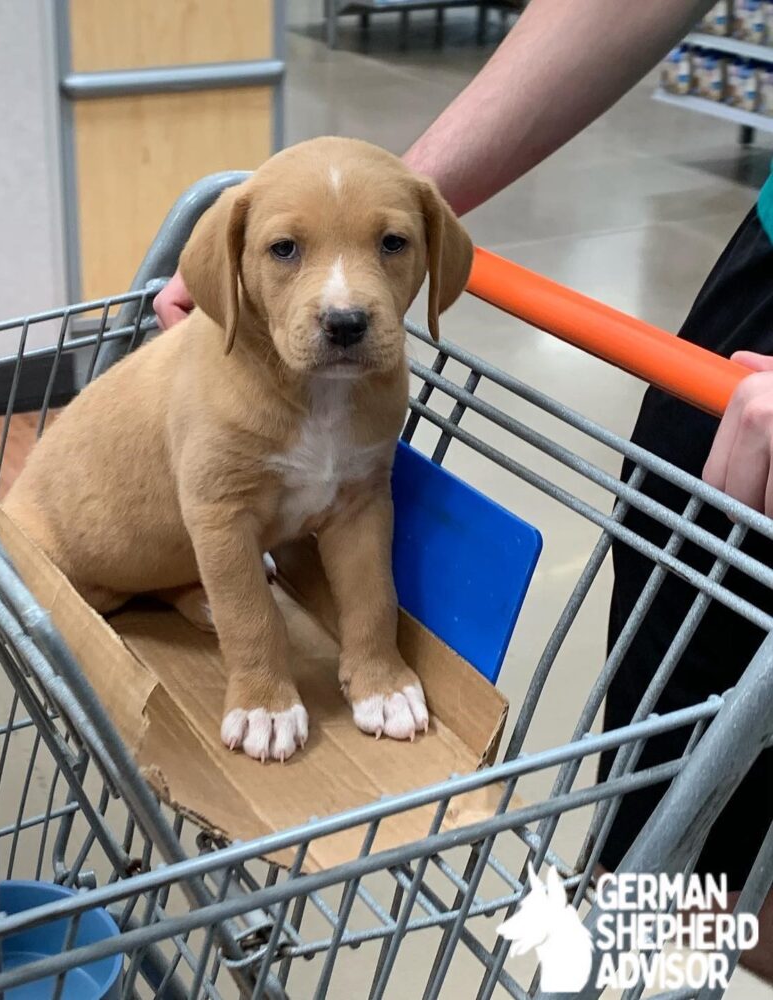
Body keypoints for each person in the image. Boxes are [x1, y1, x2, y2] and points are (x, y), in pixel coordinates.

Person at [154, 0, 773, 980]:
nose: (346, 299)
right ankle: (652, 932)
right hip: (757, 329)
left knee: (695, 876)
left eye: (389, 254)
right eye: (286, 252)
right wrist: (390, 201)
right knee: (675, 841)